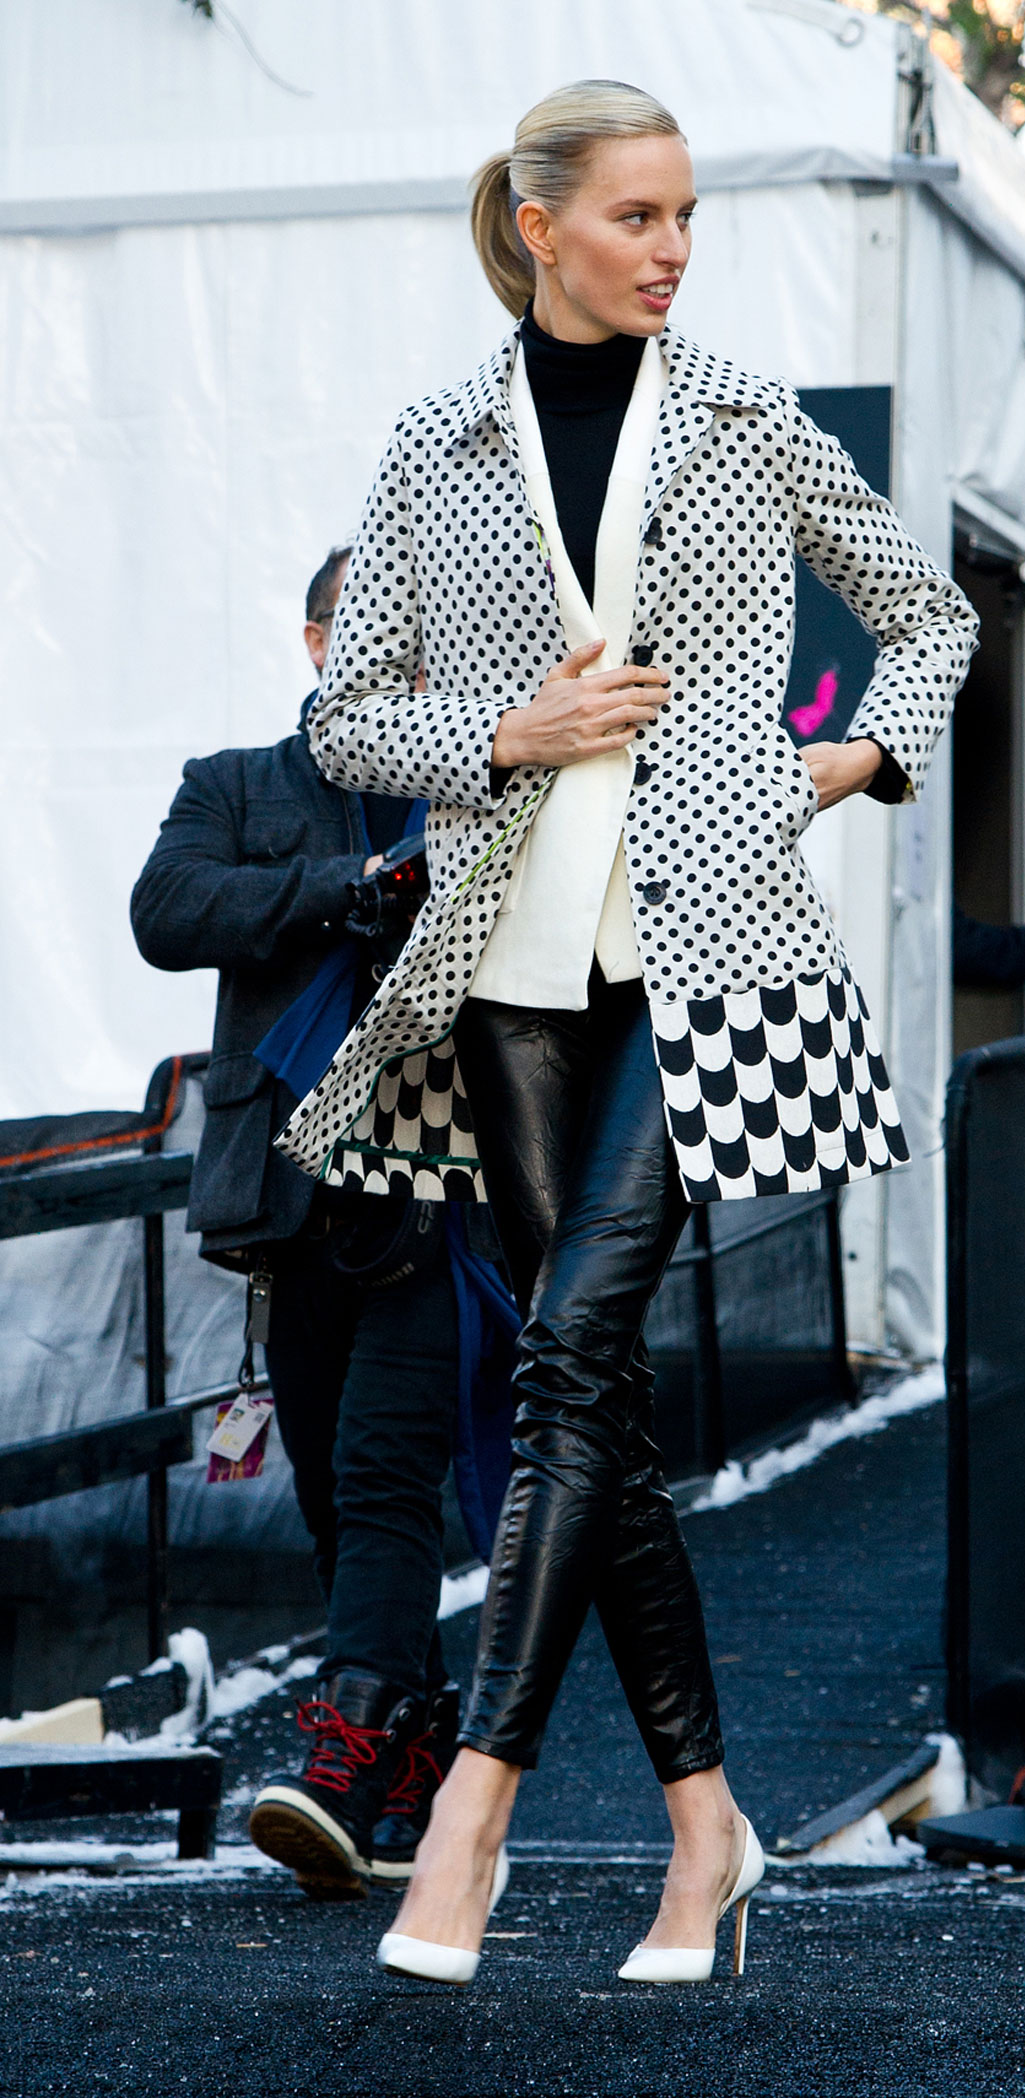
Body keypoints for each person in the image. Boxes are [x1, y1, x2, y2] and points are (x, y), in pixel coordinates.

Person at [276, 79, 979, 1985]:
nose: (674, 250)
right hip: (505, 970)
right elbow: (350, 724)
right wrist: (508, 735)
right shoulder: (436, 443)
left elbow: (928, 616)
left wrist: (829, 766)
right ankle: (704, 1836)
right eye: (640, 217)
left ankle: (469, 1819)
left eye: (687, 219)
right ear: (538, 221)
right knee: (594, 1407)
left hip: (715, 958)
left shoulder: (747, 418)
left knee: (576, 1350)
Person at [130, 548, 516, 1901]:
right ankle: (414, 1773)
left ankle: (349, 1755)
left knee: (383, 1469)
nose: (404, 664)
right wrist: (337, 888)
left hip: (440, 1191)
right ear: (312, 643)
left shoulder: (479, 781)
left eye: (423, 641)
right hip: (295, 1201)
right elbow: (165, 912)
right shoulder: (235, 785)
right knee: (335, 1491)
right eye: (373, 638)